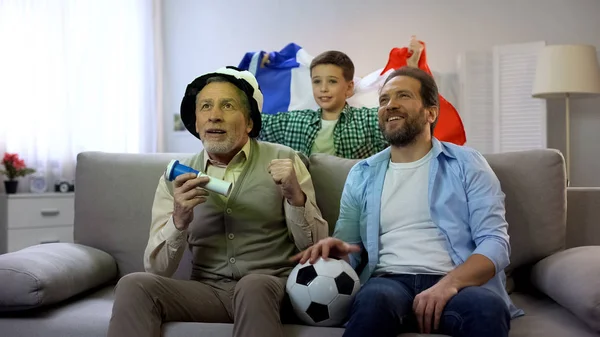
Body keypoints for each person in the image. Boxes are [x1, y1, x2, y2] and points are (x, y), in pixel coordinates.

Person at [292, 66, 522, 337]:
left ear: (430, 112)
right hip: (388, 284)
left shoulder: (467, 164)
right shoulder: (362, 174)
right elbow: (350, 249)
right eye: (384, 100)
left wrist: (449, 284)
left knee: (488, 309)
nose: (390, 105)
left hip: (457, 285)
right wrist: (340, 252)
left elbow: (495, 243)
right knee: (371, 302)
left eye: (403, 96)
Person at [107, 66, 328, 337]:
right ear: (197, 123)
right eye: (206, 107)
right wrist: (179, 220)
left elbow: (315, 248)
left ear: (249, 122)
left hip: (273, 288)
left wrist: (296, 197)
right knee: (134, 285)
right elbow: (157, 269)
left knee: (253, 285)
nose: (214, 116)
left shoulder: (285, 160)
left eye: (227, 105)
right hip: (208, 292)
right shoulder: (177, 174)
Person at [258, 44, 423, 159]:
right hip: (306, 203)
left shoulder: (368, 121)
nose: (323, 88)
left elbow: (408, 117)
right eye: (317, 81)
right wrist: (256, 64)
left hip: (355, 201)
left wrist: (412, 68)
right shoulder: (294, 121)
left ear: (349, 88)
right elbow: (252, 121)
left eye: (332, 81)